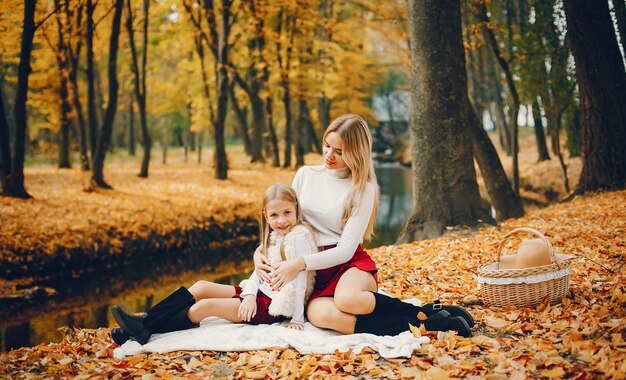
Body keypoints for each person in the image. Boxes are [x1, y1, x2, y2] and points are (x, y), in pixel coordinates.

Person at [255, 114, 474, 337]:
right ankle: (423, 322)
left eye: (339, 152)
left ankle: (423, 315)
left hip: (346, 264)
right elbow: (285, 223)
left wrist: (299, 263)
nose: (329, 155)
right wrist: (259, 252)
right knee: (322, 316)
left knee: (348, 300)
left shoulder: (363, 189)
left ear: (355, 153)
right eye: (327, 146)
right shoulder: (305, 175)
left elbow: (345, 250)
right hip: (311, 272)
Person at [110, 183, 317, 345]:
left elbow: (301, 282)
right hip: (257, 293)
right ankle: (142, 323)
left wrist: (297, 319)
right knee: (201, 286)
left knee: (205, 307)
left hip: (272, 306)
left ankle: (145, 328)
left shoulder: (299, 238)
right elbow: (259, 272)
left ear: (296, 209)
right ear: (265, 216)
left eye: (287, 213)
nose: (281, 220)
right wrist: (249, 295)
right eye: (274, 215)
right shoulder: (274, 236)